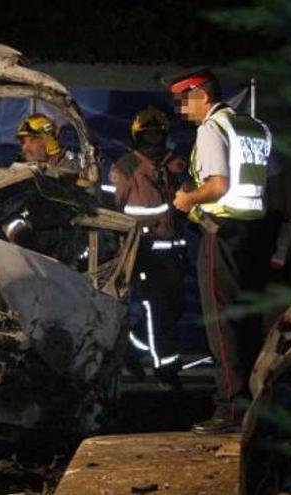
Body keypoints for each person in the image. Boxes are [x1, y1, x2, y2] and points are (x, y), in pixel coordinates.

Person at [168, 68, 273, 434]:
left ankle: (230, 409)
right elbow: (269, 184)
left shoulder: (212, 128)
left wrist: (186, 199)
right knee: (249, 322)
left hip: (223, 235)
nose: (182, 109)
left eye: (183, 100)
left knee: (222, 322)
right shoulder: (253, 127)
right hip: (256, 235)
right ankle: (258, 404)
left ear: (201, 94)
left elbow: (218, 185)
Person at [109, 106, 187, 388]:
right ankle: (167, 370)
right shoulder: (125, 168)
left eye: (158, 136)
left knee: (172, 310)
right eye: (148, 137)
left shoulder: (175, 165)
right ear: (137, 138)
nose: (154, 142)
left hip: (174, 249)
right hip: (144, 250)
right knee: (157, 311)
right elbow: (113, 212)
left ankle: (130, 350)